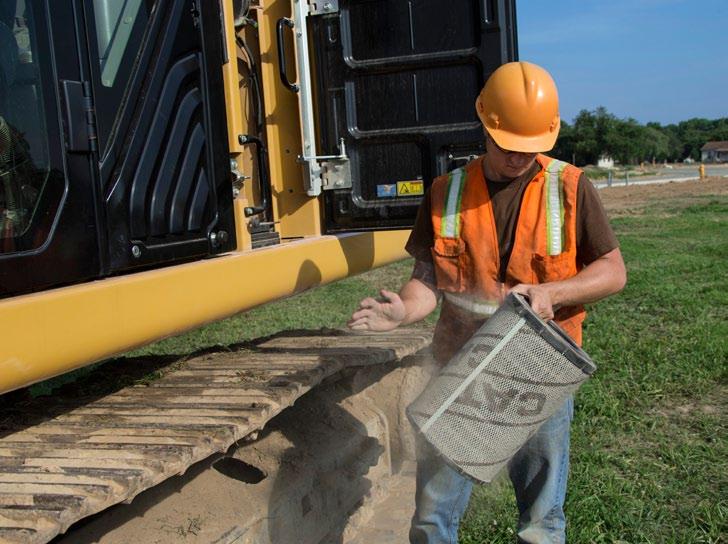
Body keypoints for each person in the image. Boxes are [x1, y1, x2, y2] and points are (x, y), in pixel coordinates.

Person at [348, 61, 627, 544]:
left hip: (539, 373)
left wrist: (551, 293)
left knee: (541, 520)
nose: (520, 158)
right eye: (509, 147)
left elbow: (613, 271)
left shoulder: (570, 187)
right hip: (459, 372)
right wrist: (403, 311)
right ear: (485, 125)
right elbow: (427, 280)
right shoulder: (445, 192)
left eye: (532, 148)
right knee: (432, 518)